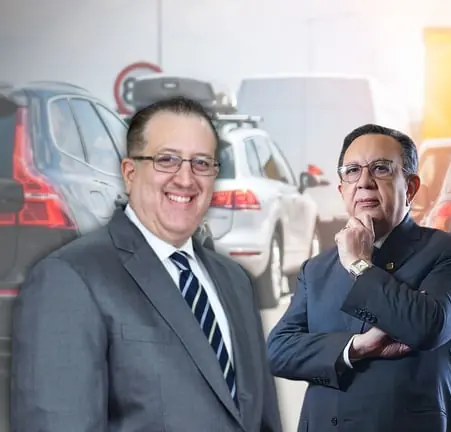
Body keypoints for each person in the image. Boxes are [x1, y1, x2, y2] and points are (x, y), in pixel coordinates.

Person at [10, 97, 282, 432]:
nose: (186, 179)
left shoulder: (235, 281)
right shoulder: (69, 279)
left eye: (201, 163)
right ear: (129, 173)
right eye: (167, 160)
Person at [267, 124, 451, 432]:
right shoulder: (316, 270)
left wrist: (358, 265)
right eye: (352, 171)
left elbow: (428, 325)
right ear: (342, 190)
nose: (364, 182)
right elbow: (278, 350)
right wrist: (356, 347)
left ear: (410, 187)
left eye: (381, 168)